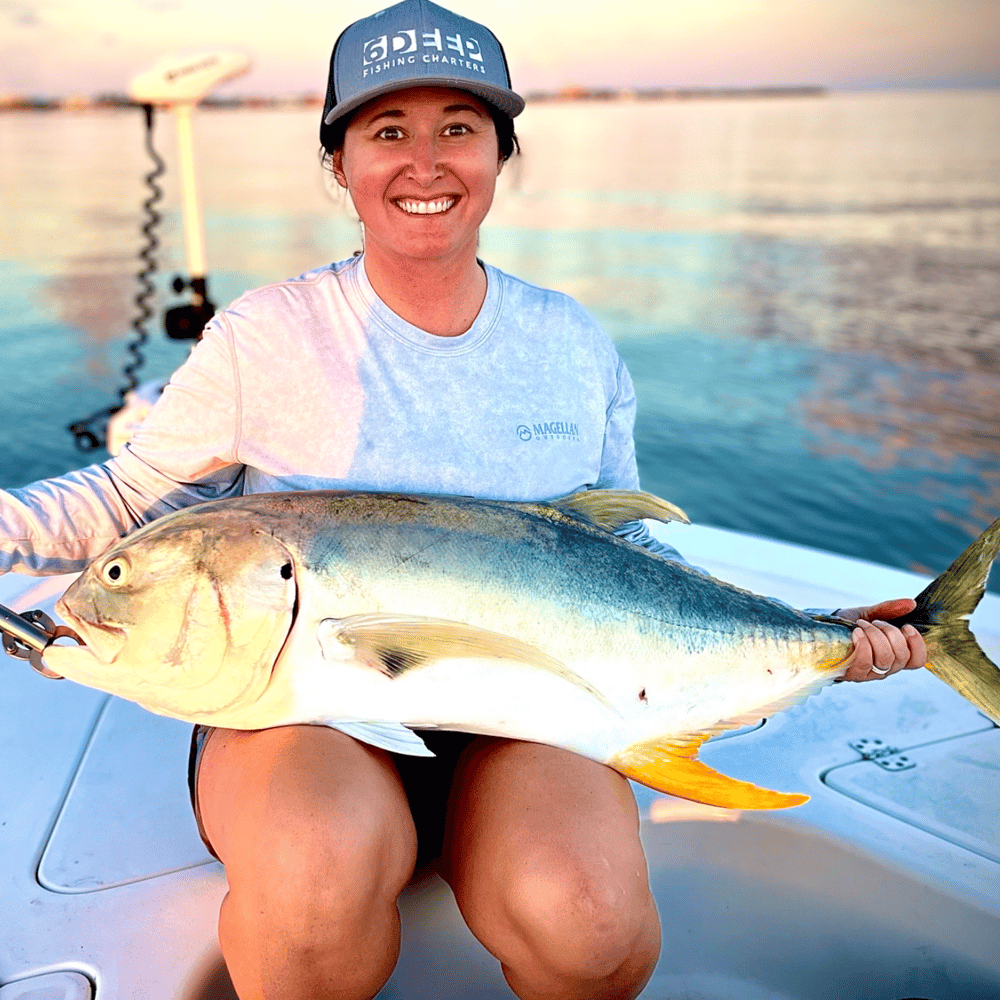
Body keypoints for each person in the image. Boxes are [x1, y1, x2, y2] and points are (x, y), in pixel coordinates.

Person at [0, 2, 925, 997]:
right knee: (312, 871)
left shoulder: (567, 345)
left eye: (458, 129)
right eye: (387, 130)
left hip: (537, 722)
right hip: (296, 707)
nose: (424, 163)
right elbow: (133, 492)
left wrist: (821, 641)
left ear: (498, 153)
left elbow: (627, 560)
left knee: (589, 921)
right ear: (341, 163)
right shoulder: (267, 335)